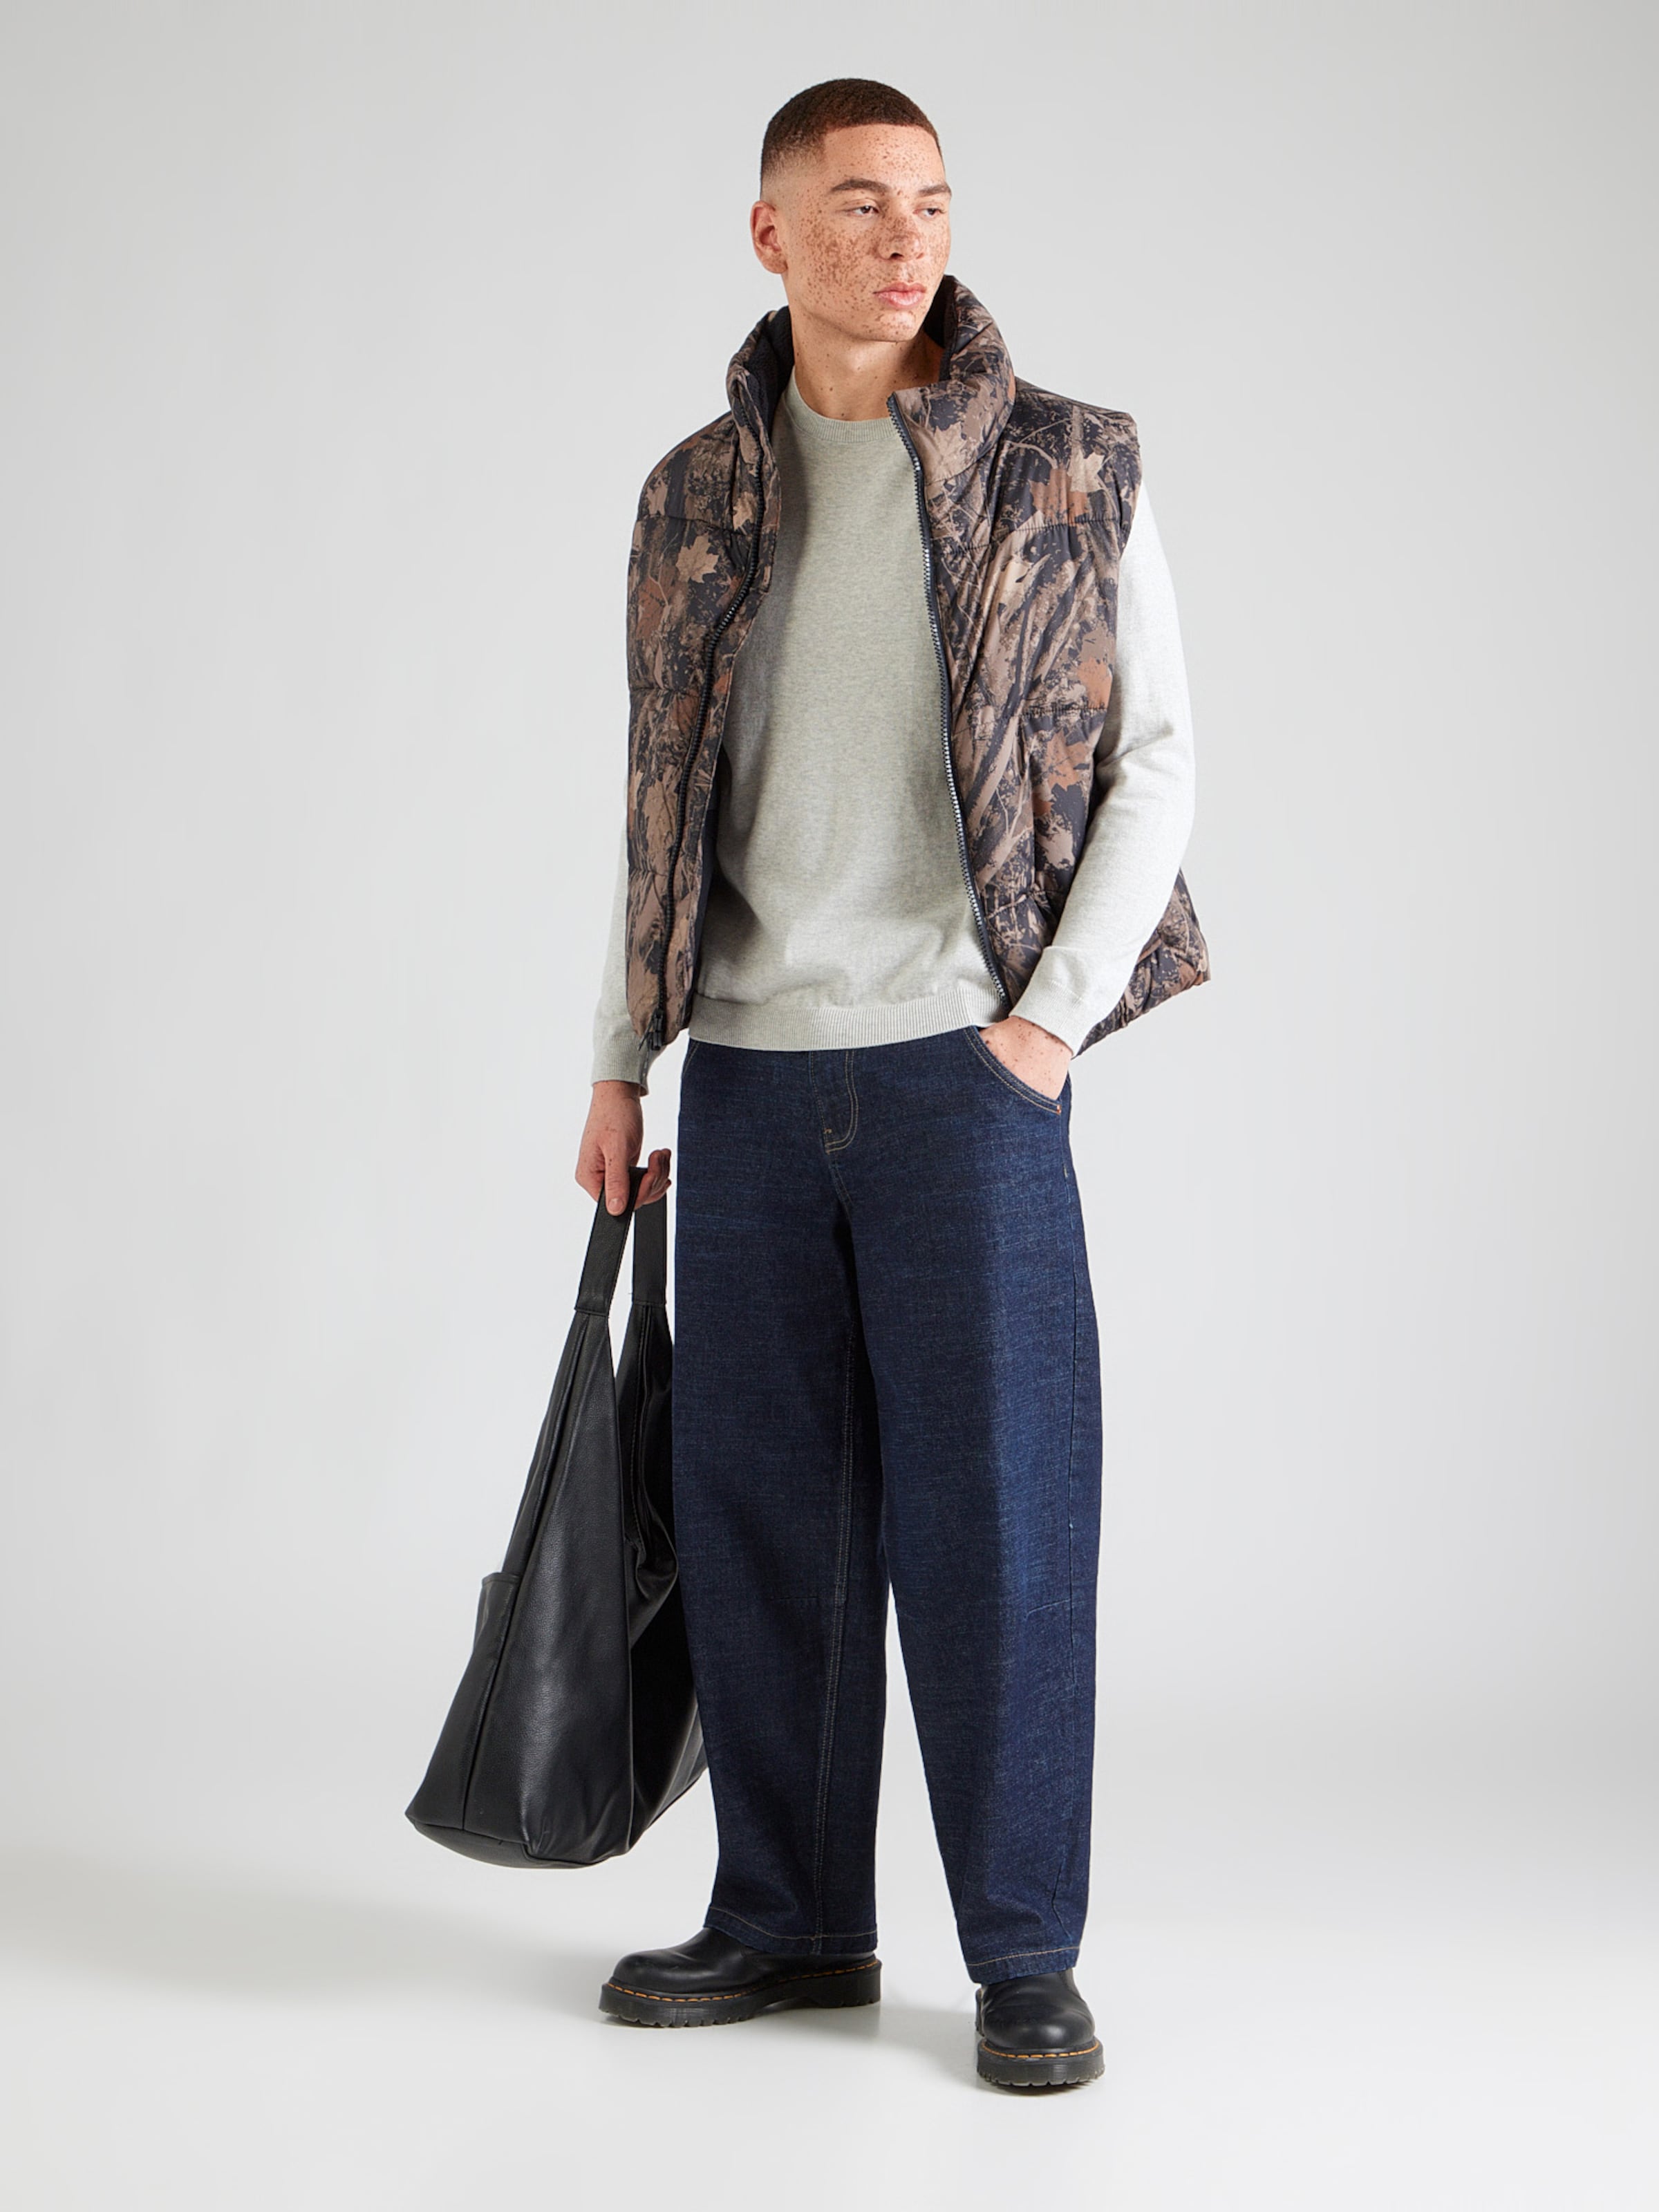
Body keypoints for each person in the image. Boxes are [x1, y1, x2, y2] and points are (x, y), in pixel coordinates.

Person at [574, 77, 1207, 2091]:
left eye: (929, 200)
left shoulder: (1067, 464)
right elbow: (658, 795)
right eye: (857, 205)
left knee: (1000, 1528)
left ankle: (1023, 1954)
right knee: (759, 1519)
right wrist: (620, 1058)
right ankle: (789, 1919)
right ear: (772, 234)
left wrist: (1051, 1023)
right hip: (754, 1084)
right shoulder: (695, 495)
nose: (904, 236)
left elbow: (1158, 764)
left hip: (965, 1078)